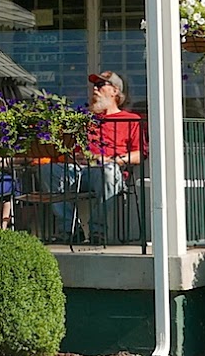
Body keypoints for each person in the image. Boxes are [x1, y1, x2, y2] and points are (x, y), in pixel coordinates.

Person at [48, 70, 146, 242]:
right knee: (48, 170)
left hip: (109, 171)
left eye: (101, 85)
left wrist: (113, 160)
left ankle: (97, 231)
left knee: (108, 172)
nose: (95, 89)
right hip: (82, 170)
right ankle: (70, 229)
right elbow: (71, 150)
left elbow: (140, 154)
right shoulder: (86, 119)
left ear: (115, 91)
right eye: (94, 85)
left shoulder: (130, 119)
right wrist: (74, 157)